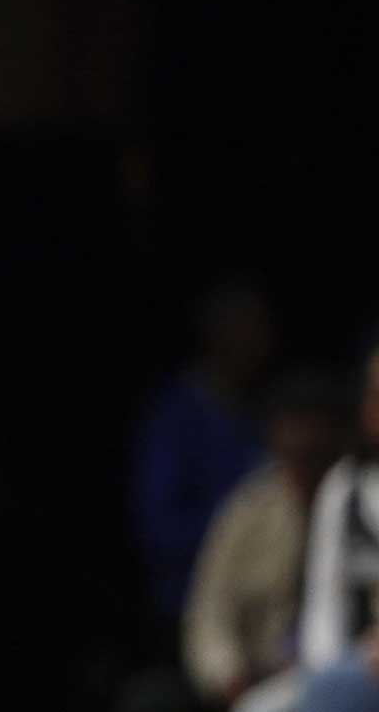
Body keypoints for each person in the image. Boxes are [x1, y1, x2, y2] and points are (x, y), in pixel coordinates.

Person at [182, 373, 347, 707]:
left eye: (314, 453)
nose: (302, 464)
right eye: (292, 451)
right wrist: (229, 676)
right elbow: (209, 613)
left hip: (341, 679)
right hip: (257, 678)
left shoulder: (358, 502)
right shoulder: (248, 511)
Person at [133, 278, 276, 621]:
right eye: (247, 327)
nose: (262, 339)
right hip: (193, 596)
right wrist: (237, 529)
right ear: (216, 333)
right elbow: (159, 528)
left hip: (263, 596)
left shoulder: (263, 408)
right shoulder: (178, 416)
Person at [297, 344, 379, 711]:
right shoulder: (343, 488)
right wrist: (324, 670)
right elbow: (323, 600)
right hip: (354, 666)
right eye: (374, 395)